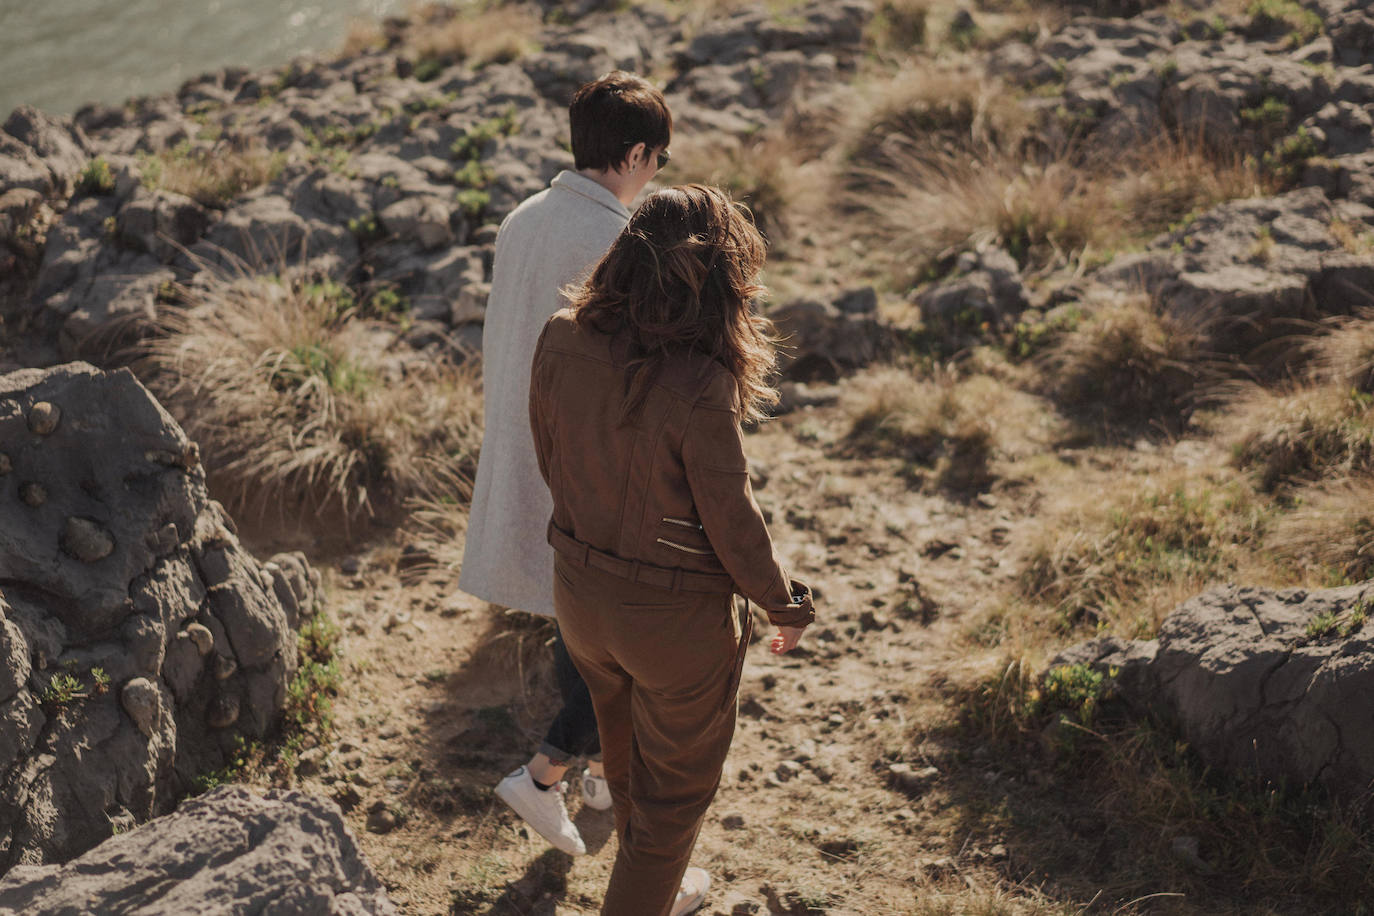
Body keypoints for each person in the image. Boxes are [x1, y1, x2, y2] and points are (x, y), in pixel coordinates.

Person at [528, 185, 816, 916]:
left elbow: (550, 454)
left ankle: (661, 889)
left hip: (578, 599)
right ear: (721, 281)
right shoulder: (702, 382)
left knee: (623, 759)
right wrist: (785, 605)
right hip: (675, 629)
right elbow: (733, 522)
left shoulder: (561, 334)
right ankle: (651, 888)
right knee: (669, 812)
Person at [457, 71, 672, 857]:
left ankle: (606, 777)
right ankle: (544, 774)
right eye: (658, 157)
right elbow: (627, 372)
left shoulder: (523, 217)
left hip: (520, 446)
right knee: (611, 644)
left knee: (577, 625)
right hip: (581, 468)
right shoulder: (619, 240)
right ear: (640, 152)